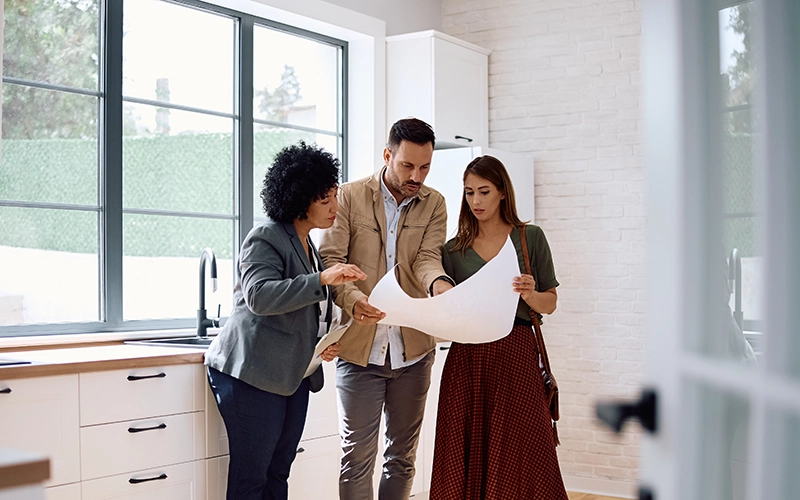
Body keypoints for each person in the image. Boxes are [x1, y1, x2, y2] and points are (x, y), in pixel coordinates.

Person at [204, 141, 368, 500]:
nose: (334, 208)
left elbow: (302, 311)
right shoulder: (265, 237)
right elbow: (260, 297)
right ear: (299, 198)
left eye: (335, 197)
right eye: (325, 200)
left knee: (279, 470)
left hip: (292, 375)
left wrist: (324, 342)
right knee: (252, 476)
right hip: (252, 375)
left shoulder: (308, 246)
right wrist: (322, 280)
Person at [319, 117, 455, 500]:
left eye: (425, 167)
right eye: (407, 165)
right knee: (357, 455)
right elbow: (331, 261)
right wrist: (354, 300)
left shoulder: (434, 203)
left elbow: (428, 258)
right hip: (359, 348)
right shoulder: (348, 196)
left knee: (402, 456)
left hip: (413, 351)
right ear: (387, 155)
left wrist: (439, 284)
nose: (417, 175)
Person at [429, 155, 568, 500]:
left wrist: (529, 293)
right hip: (468, 358)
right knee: (464, 444)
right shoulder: (453, 250)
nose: (476, 201)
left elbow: (549, 304)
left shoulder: (529, 238)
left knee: (526, 447)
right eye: (469, 192)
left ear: (503, 192)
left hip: (517, 354)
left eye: (484, 191)